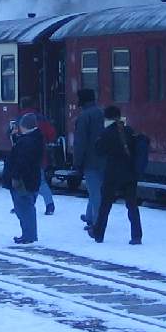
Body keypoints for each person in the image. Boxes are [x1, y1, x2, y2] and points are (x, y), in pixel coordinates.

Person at [89, 105, 143, 245]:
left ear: (107, 118)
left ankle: (98, 233)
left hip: (112, 173)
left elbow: (99, 151)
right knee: (132, 205)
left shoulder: (107, 133)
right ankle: (136, 236)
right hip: (130, 173)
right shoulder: (130, 131)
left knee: (105, 205)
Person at [8, 96, 57, 215]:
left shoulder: (20, 119)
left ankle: (24, 205)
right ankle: (48, 204)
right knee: (39, 181)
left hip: (23, 154)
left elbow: (12, 134)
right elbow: (51, 133)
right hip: (40, 154)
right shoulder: (40, 118)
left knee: (25, 182)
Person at [3, 113, 45, 244]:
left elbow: (21, 161)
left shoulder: (27, 142)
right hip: (31, 178)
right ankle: (28, 234)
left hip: (23, 181)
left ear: (23, 126)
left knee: (24, 207)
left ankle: (29, 235)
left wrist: (15, 176)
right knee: (26, 206)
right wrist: (15, 137)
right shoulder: (34, 138)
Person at [72, 88, 106, 229]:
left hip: (90, 160)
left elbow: (80, 142)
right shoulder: (101, 113)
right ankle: (90, 217)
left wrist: (77, 163)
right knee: (97, 190)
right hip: (104, 159)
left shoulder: (84, 117)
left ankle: (97, 223)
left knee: (95, 193)